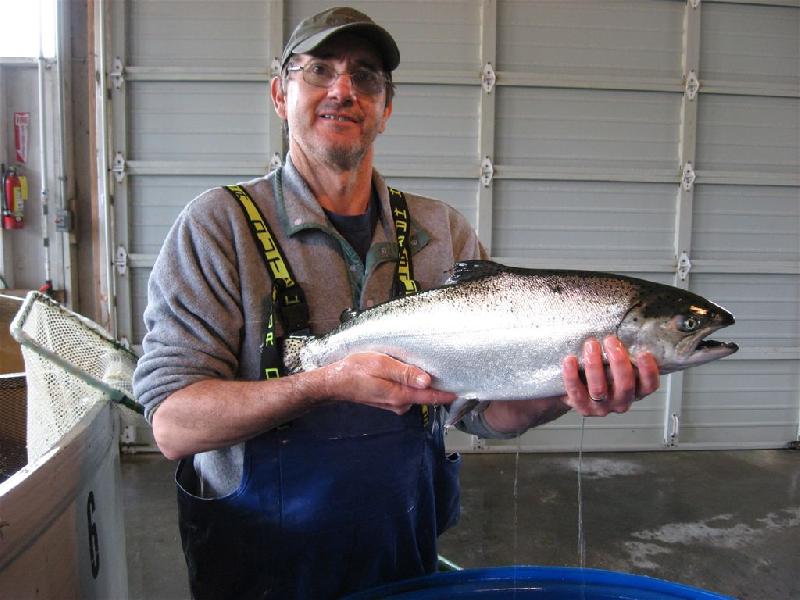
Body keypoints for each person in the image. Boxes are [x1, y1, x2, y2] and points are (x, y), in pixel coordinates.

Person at [132, 6, 661, 599]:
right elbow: (173, 425)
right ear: (281, 95)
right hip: (257, 573)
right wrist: (322, 383)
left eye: (365, 76)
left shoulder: (441, 232)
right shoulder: (217, 226)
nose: (343, 90)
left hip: (403, 563)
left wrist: (567, 388)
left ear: (386, 107)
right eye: (319, 71)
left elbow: (484, 414)